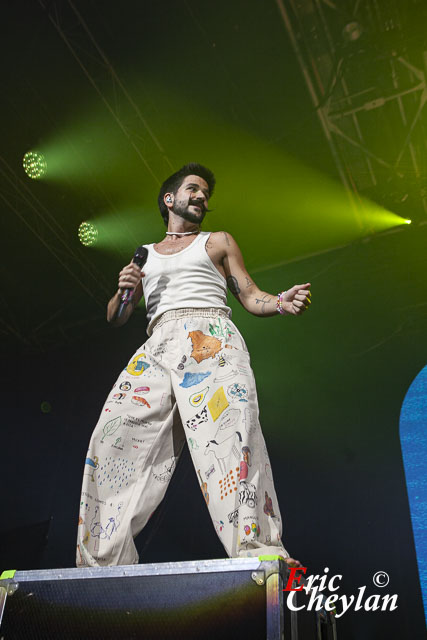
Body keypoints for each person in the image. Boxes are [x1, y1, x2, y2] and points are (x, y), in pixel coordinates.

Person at [76, 163, 311, 568]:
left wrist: (279, 302)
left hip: (211, 339)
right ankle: (101, 564)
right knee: (110, 441)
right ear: (170, 199)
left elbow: (250, 294)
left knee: (233, 440)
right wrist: (124, 291)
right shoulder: (144, 256)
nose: (202, 197)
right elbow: (116, 316)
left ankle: (258, 551)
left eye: (205, 193)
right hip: (157, 344)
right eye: (193, 189)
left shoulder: (217, 241)